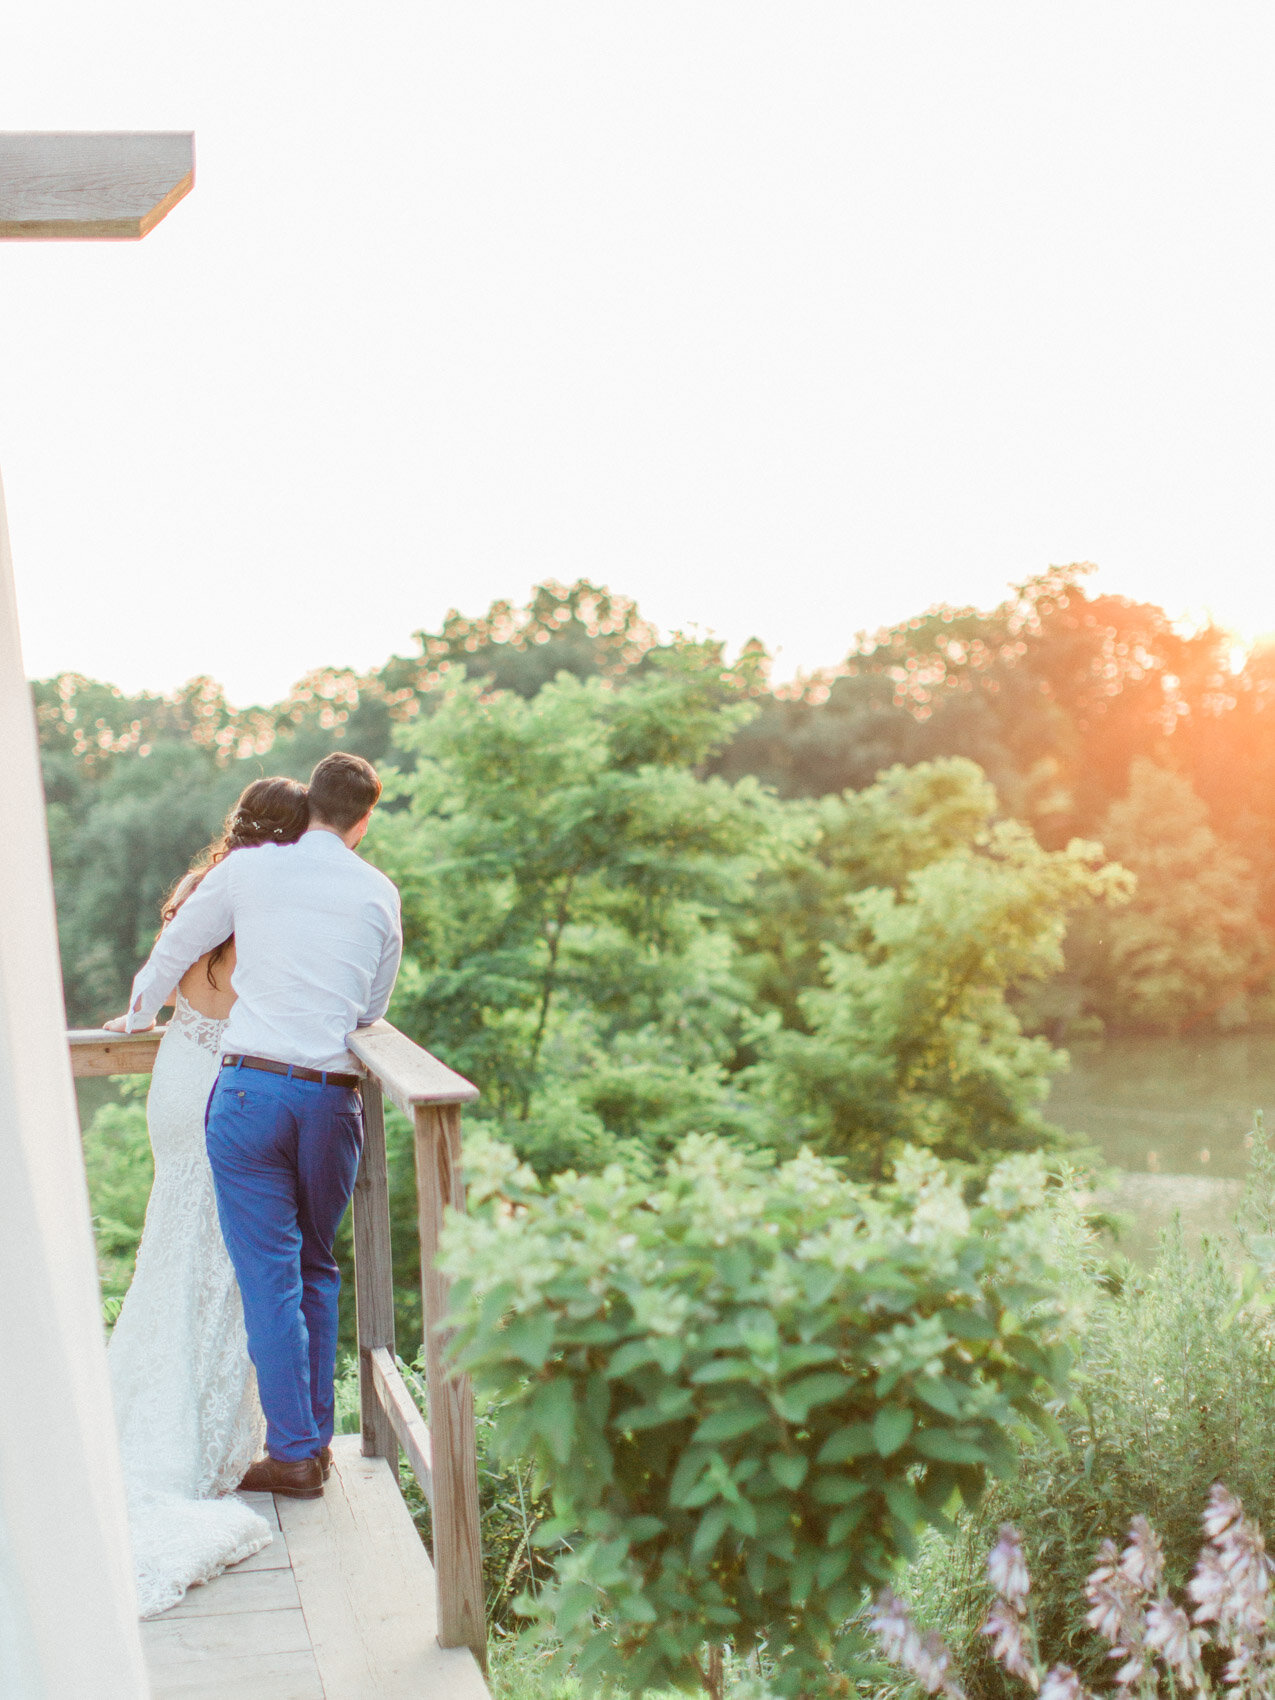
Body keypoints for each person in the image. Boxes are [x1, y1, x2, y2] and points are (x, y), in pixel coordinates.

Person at [115, 751, 402, 1505]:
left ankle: (298, 1453)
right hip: (332, 1099)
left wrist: (140, 1013)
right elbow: (372, 1004)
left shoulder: (246, 874)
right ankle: (311, 1446)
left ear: (311, 804)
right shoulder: (378, 892)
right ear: (364, 818)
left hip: (248, 1097)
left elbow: (176, 949)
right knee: (315, 1266)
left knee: (267, 1276)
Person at [103, 775, 310, 1618]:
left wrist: (138, 1009)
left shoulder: (200, 891)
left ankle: (161, 1417)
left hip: (178, 1076)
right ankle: (210, 1441)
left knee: (172, 1248)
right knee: (227, 1262)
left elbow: (160, 984)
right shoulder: (278, 906)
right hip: (233, 1084)